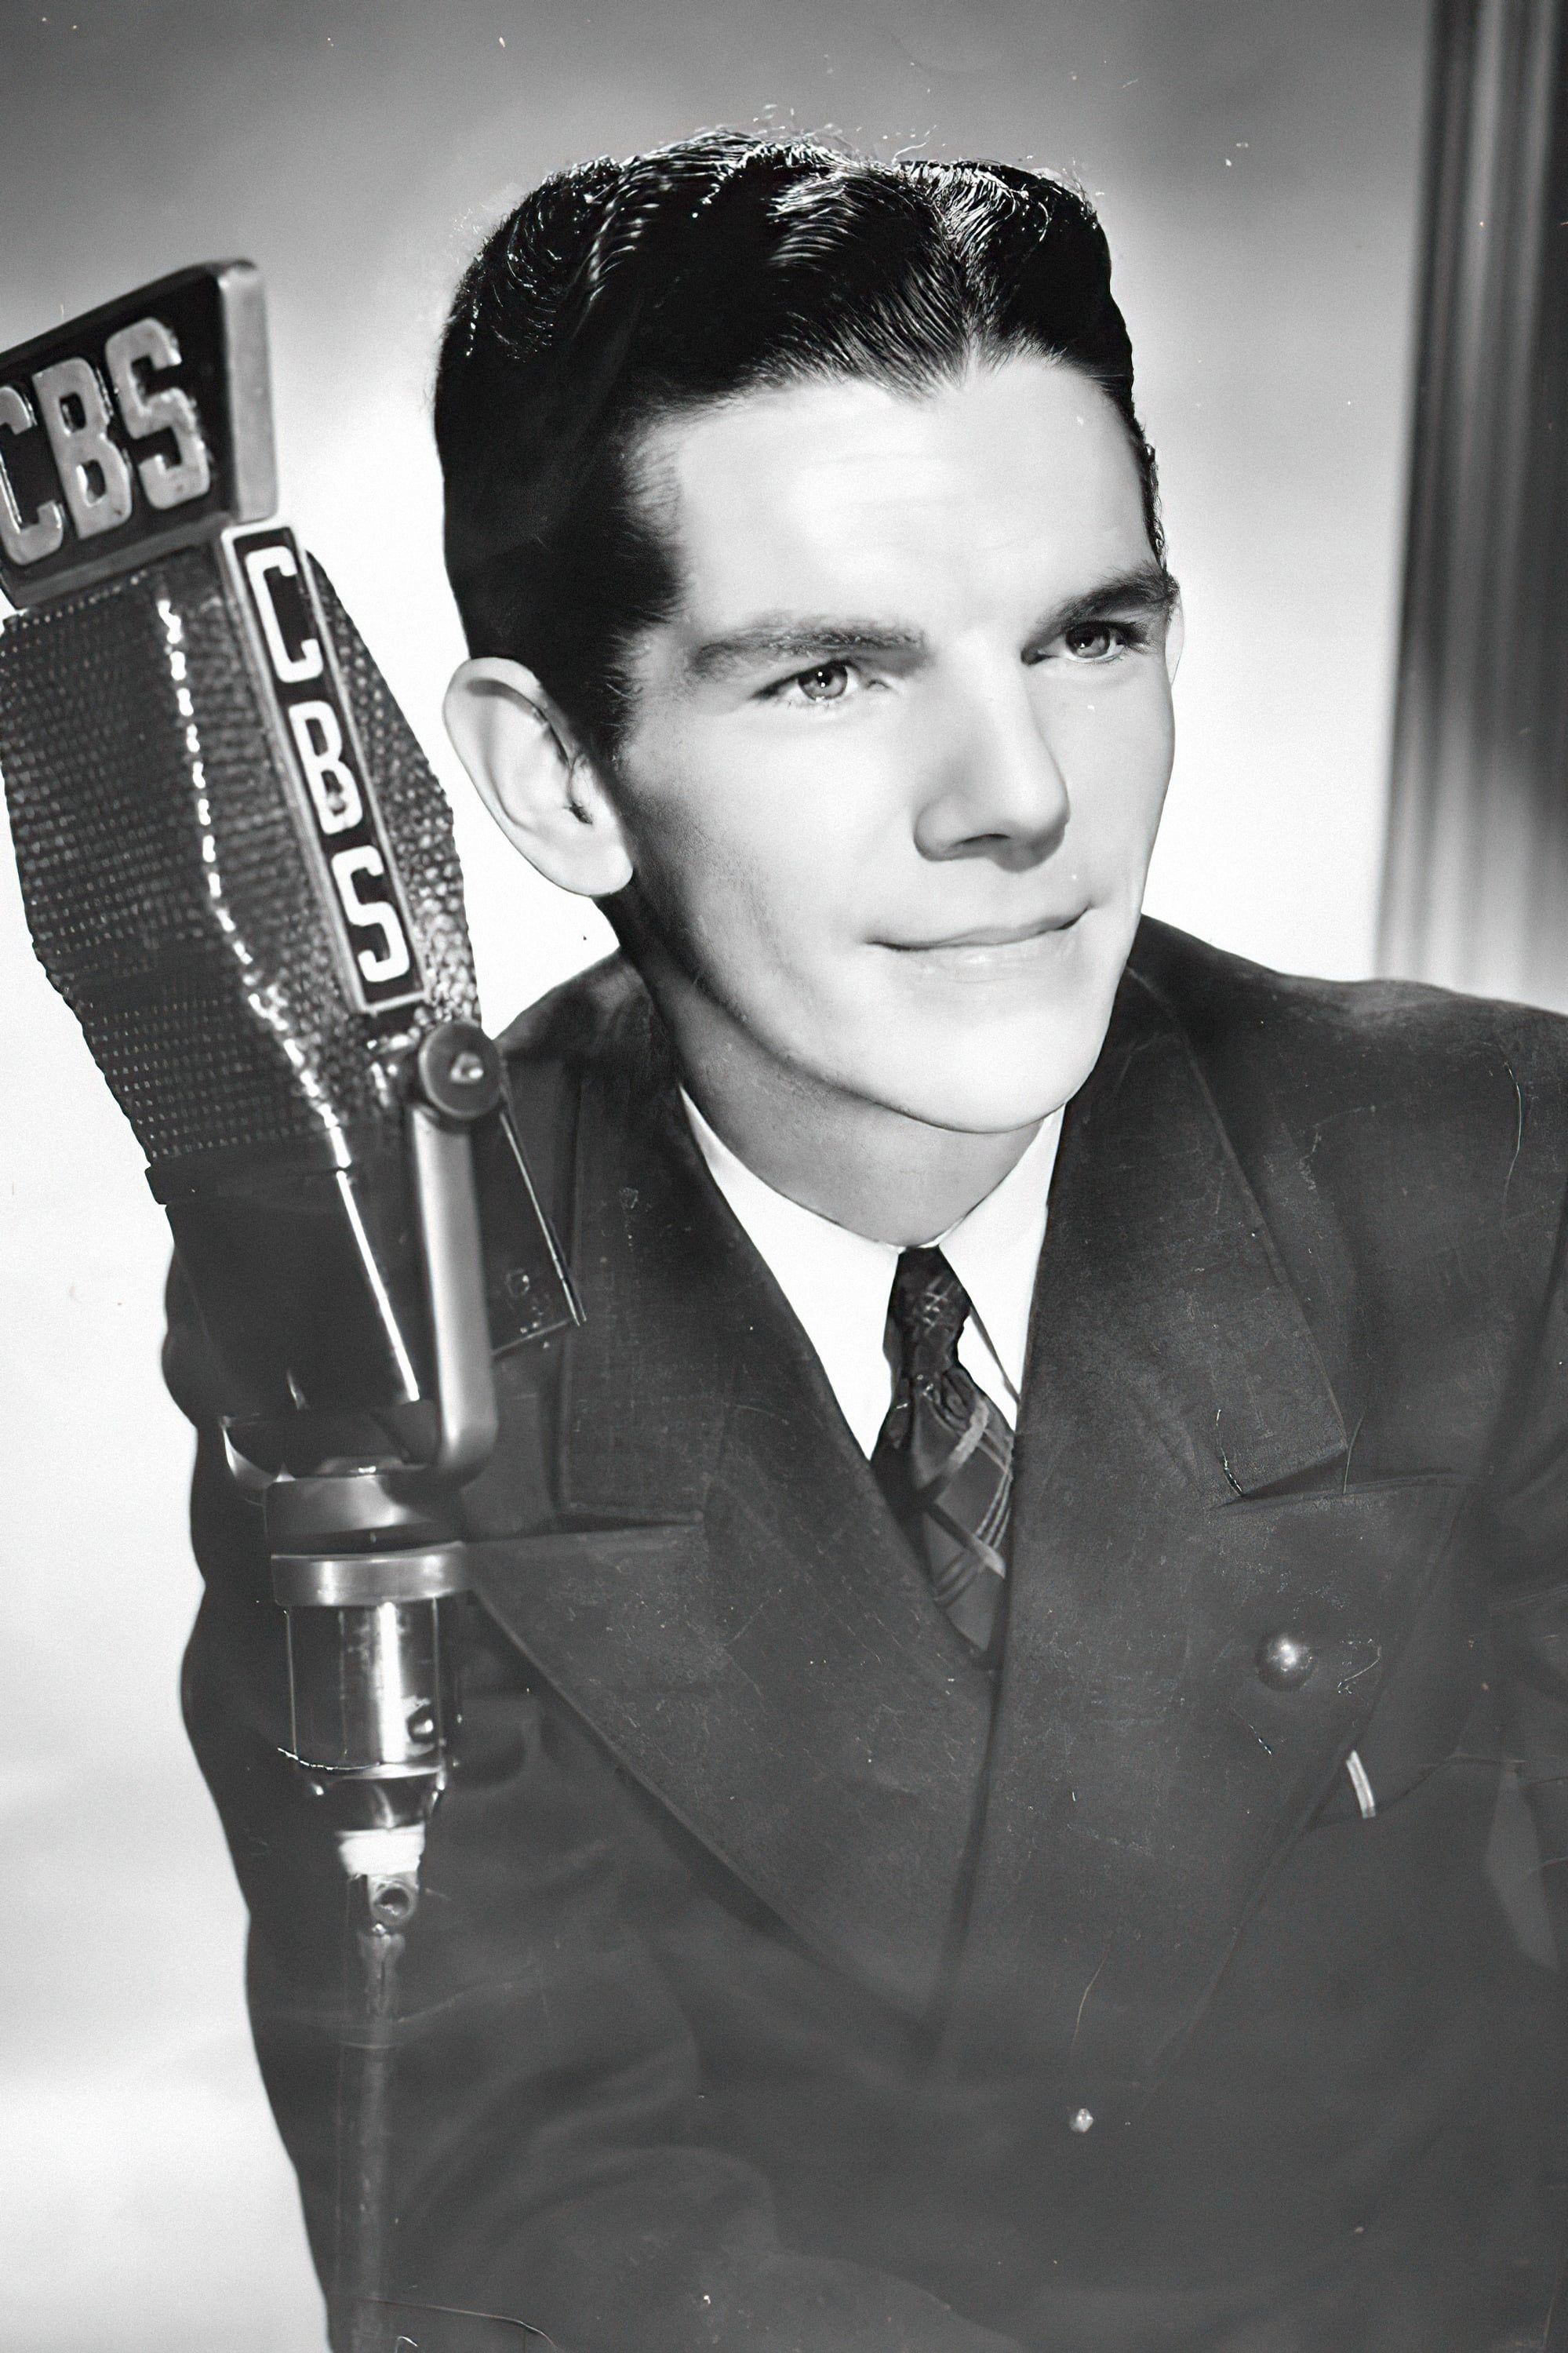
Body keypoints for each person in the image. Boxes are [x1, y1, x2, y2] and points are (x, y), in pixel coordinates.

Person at [173, 131, 1568, 2351]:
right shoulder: (390, 1314)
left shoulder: (1493, 1174)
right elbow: (514, 2221)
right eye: (830, 674)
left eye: (1090, 637)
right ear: (555, 780)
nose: (1020, 796)